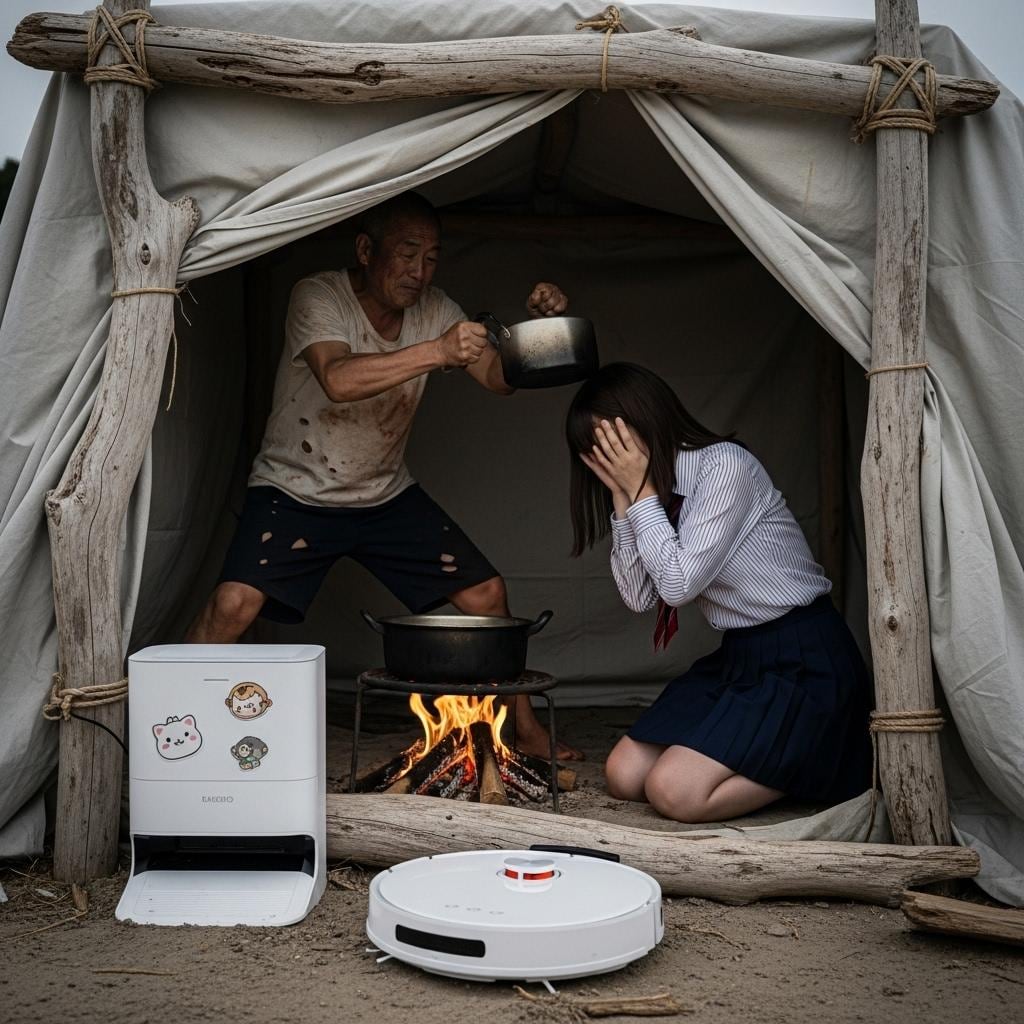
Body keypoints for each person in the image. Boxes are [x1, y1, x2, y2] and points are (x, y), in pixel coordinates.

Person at [187, 191, 580, 760]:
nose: (420, 272)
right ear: (367, 250)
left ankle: (527, 731)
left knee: (489, 593)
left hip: (384, 494)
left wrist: (541, 332)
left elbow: (498, 378)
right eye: (407, 253)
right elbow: (339, 380)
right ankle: (176, 728)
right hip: (294, 488)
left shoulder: (437, 308)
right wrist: (437, 351)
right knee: (231, 607)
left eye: (432, 258)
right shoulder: (318, 294)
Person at [565, 363, 872, 821]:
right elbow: (640, 598)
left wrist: (641, 494)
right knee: (624, 775)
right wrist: (622, 500)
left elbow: (677, 584)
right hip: (741, 658)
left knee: (673, 792)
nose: (607, 459)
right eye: (596, 452)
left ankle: (818, 760)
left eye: (613, 444)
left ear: (644, 422)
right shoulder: (656, 490)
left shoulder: (724, 467)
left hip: (803, 660)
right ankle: (769, 757)